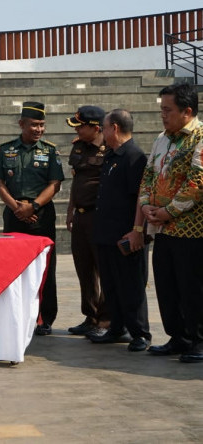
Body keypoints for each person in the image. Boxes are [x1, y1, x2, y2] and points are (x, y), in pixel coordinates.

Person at [140, 83, 203, 363]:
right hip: (163, 227)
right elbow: (148, 174)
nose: (163, 115)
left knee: (192, 288)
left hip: (191, 230)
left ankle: (198, 341)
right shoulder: (162, 139)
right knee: (167, 285)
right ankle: (177, 337)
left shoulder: (200, 137)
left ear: (187, 112)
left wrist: (169, 211)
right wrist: (146, 205)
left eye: (168, 110)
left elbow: (197, 183)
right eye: (162, 109)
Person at [0, 101, 64, 336]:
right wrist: (17, 208)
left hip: (40, 216)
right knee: (12, 267)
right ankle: (14, 315)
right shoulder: (6, 149)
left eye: (42, 125)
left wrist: (32, 206)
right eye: (34, 125)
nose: (38, 130)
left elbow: (55, 184)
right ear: (21, 124)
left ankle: (45, 317)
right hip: (14, 215)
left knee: (45, 268)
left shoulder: (50, 150)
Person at [88, 109, 151, 351]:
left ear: (114, 128)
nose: (101, 132)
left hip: (126, 234)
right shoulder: (112, 155)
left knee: (131, 285)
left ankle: (140, 333)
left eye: (103, 128)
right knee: (111, 285)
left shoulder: (134, 157)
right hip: (106, 232)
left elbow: (140, 197)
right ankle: (117, 327)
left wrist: (137, 230)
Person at [65, 106, 110, 336]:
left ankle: (105, 319)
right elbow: (77, 181)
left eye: (81, 126)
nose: (77, 130)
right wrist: (70, 210)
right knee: (84, 268)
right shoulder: (79, 146)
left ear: (95, 128)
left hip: (99, 216)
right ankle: (90, 315)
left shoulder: (110, 149)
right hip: (81, 216)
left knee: (104, 268)